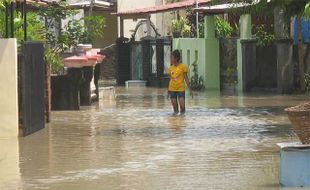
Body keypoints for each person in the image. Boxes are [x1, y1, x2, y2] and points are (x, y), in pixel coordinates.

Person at [167, 50, 193, 114]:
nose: (171, 59)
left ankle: (182, 121)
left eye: (172, 57)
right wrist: (168, 92)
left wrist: (190, 90)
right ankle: (176, 122)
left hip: (181, 89)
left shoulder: (183, 67)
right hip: (172, 89)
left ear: (176, 58)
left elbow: (186, 78)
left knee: (182, 108)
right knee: (175, 109)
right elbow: (170, 80)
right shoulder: (170, 68)